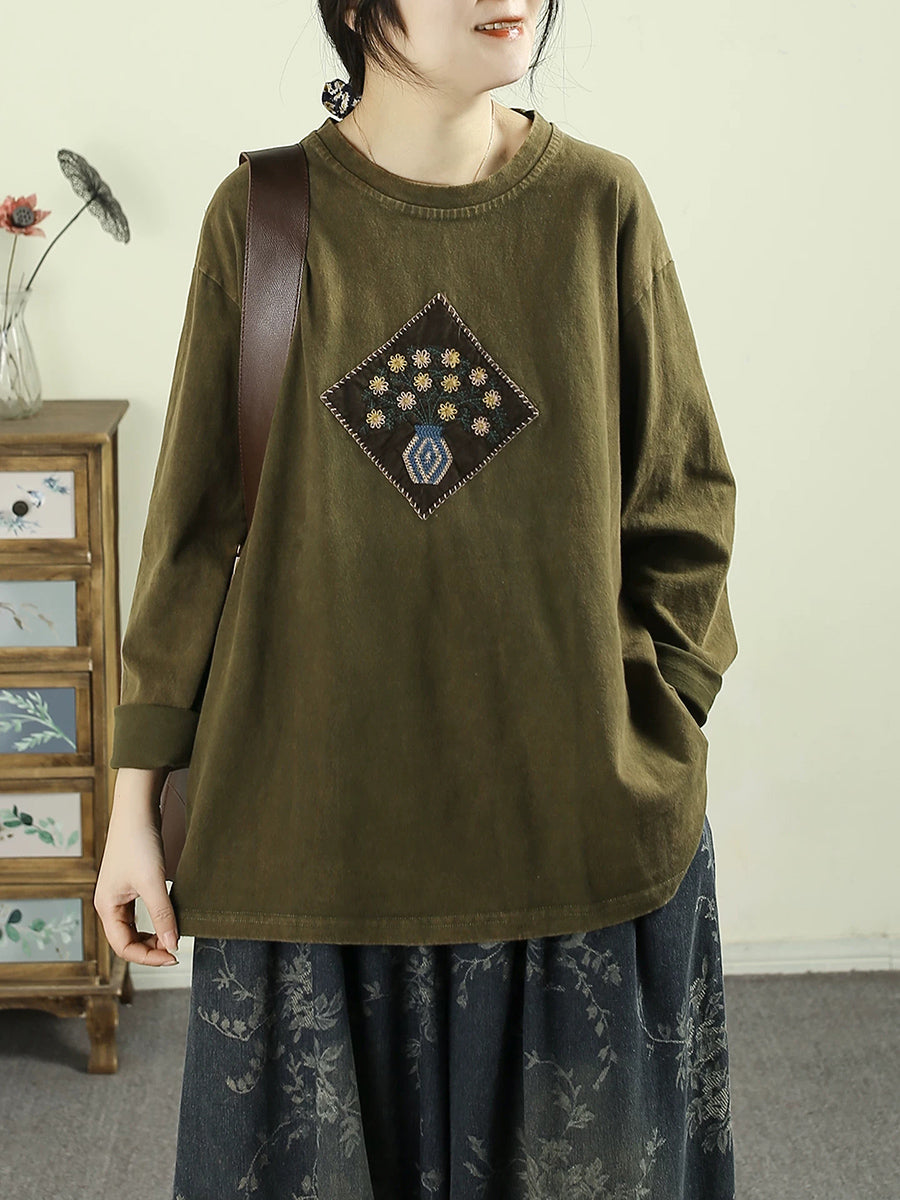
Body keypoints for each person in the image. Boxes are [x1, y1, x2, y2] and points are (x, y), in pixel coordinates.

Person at [94, 2, 740, 1197]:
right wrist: (134, 807)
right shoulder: (263, 219)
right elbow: (190, 541)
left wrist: (659, 714)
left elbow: (684, 498)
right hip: (313, 855)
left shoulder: (598, 205)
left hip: (572, 845)